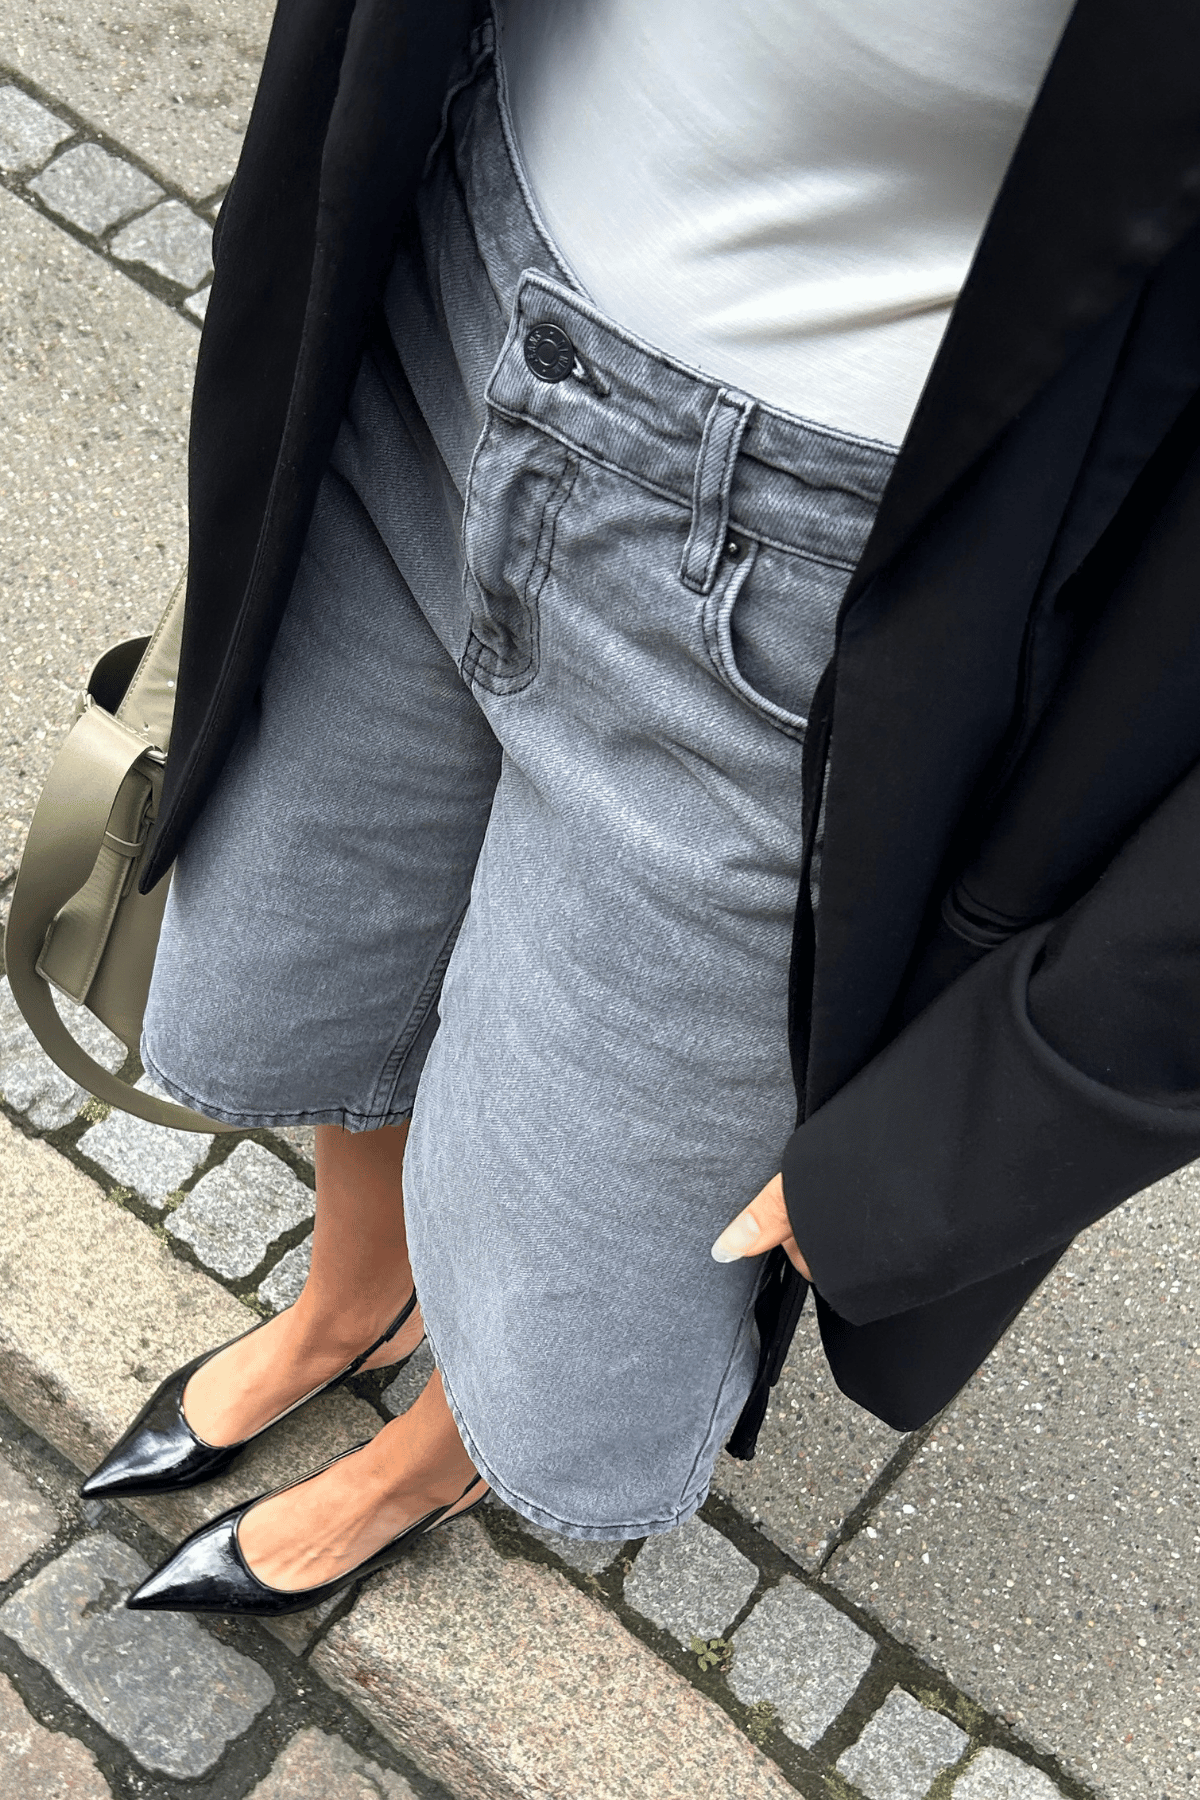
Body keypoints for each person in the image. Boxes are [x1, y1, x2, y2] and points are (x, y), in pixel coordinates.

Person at [80, 0, 1200, 1619]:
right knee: (320, 958)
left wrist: (999, 1111)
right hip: (452, 271)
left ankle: (435, 1454)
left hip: (851, 588)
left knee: (576, 1270)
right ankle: (351, 1304)